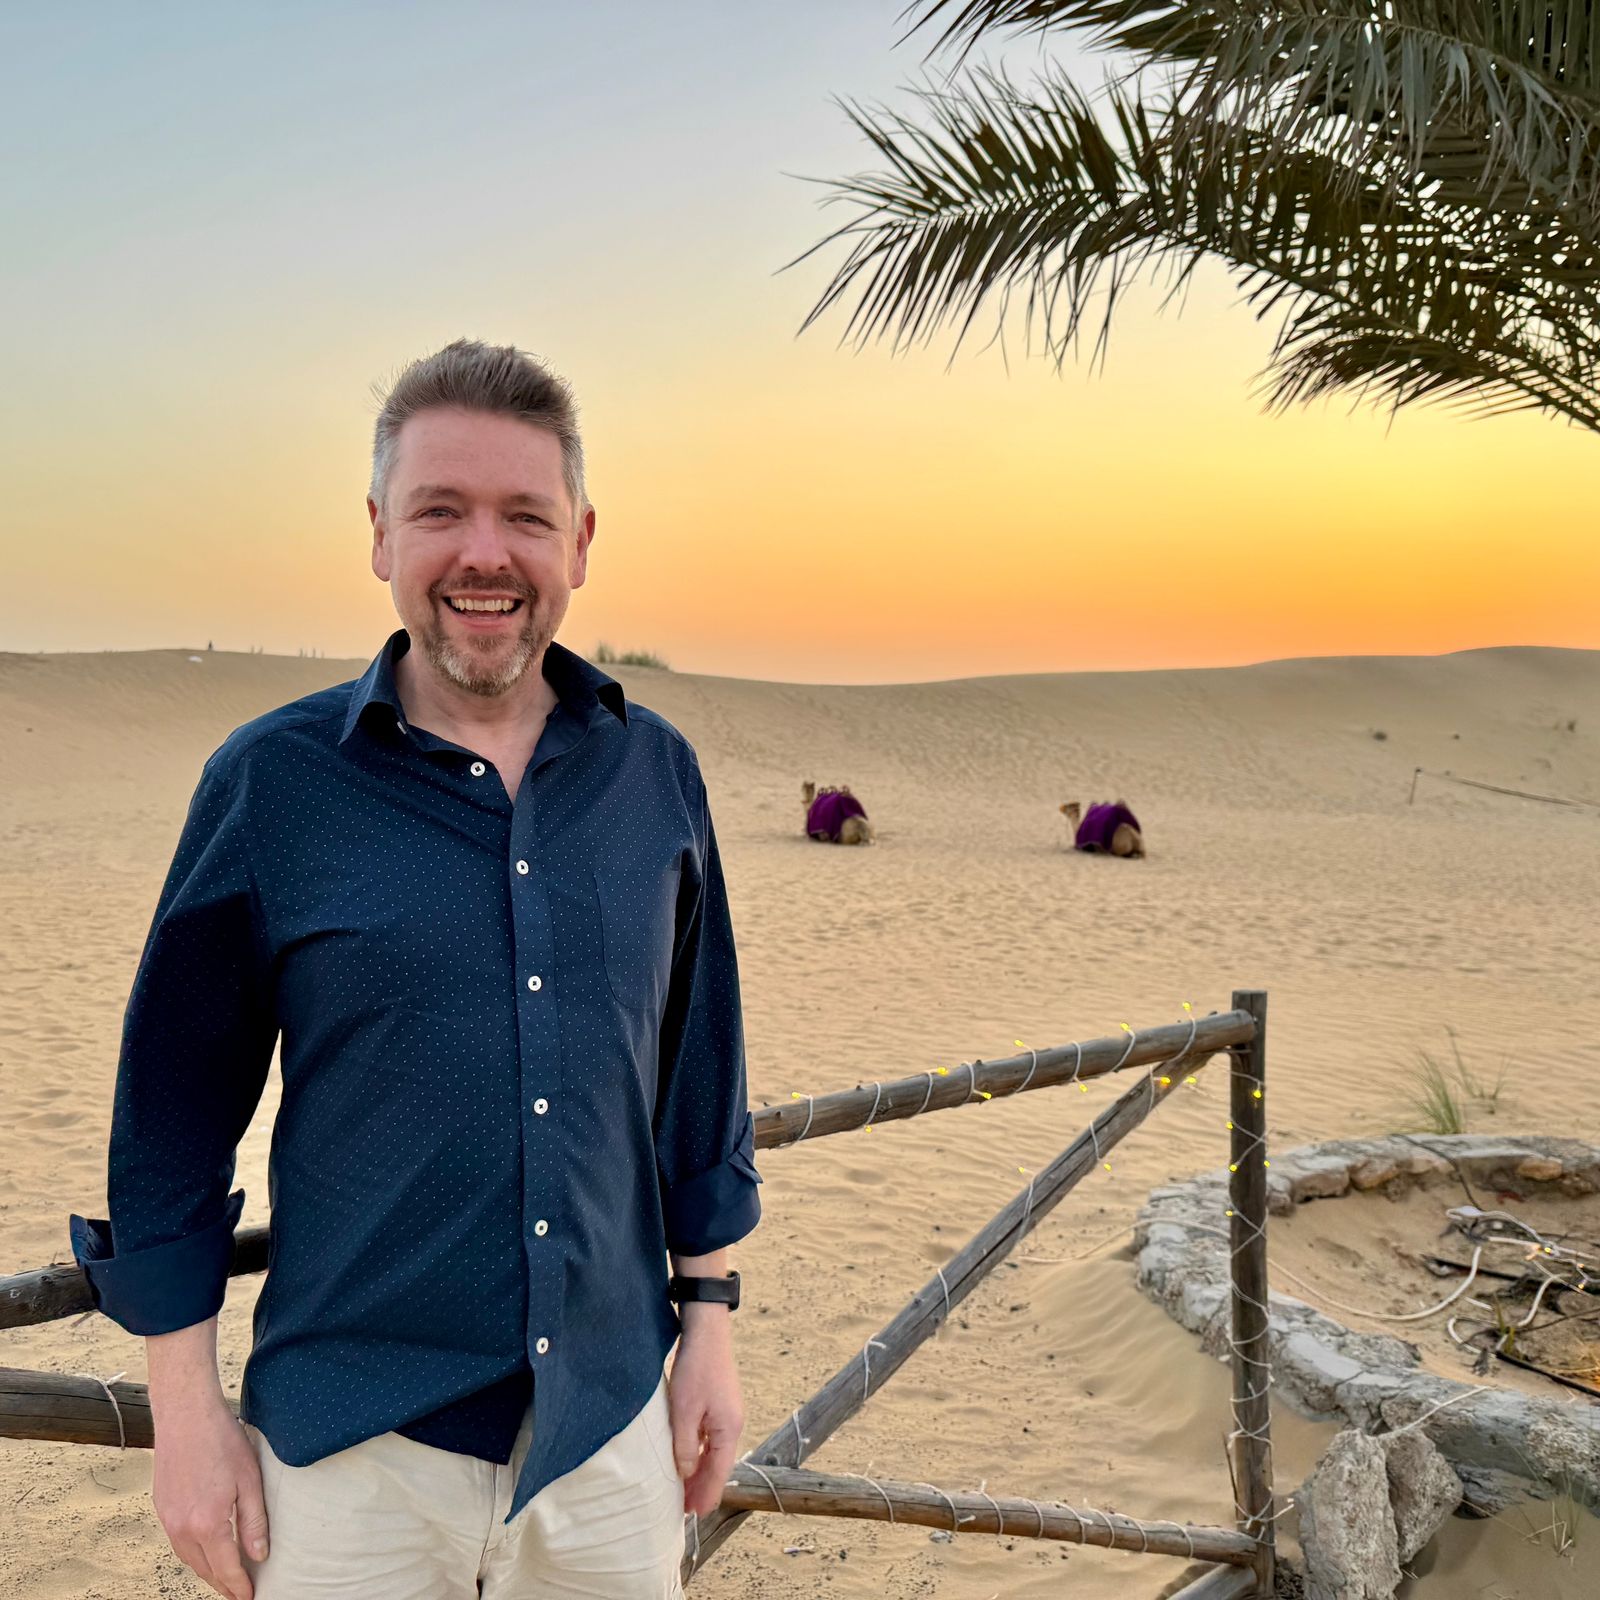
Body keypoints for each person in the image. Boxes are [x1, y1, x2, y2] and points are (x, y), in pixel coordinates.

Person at [69, 339, 761, 1599]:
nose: (483, 553)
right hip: (351, 1465)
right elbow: (169, 1114)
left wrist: (705, 1322)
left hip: (610, 1448)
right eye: (440, 510)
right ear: (380, 533)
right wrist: (185, 1410)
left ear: (582, 540)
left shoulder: (655, 773)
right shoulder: (273, 784)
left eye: (524, 516)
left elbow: (696, 1069)